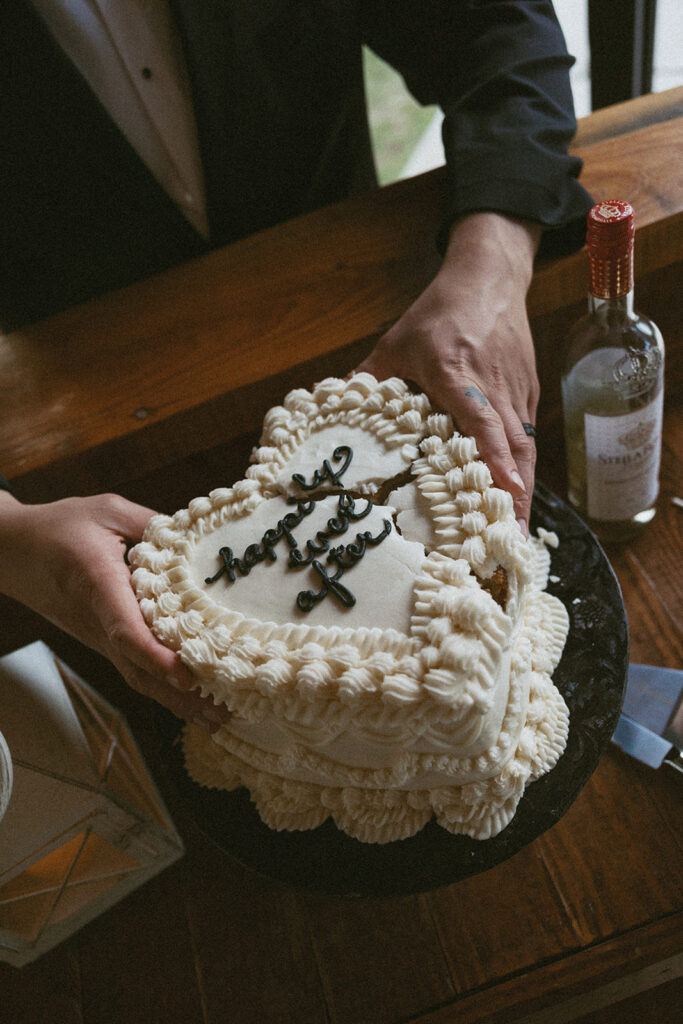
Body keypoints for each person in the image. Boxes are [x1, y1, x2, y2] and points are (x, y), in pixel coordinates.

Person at [0, 1, 593, 723]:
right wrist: (10, 537)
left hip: (382, 359)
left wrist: (492, 265)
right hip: (89, 495)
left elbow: (495, 27)